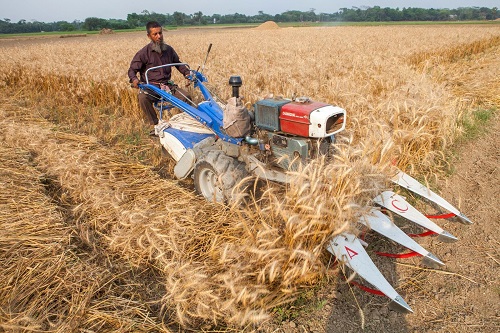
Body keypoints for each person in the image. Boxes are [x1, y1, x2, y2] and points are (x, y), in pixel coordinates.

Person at [128, 21, 191, 135]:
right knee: (143, 98)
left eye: (160, 33)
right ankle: (156, 125)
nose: (159, 36)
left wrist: (187, 73)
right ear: (149, 36)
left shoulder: (169, 50)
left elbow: (178, 63)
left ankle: (187, 124)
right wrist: (134, 79)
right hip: (151, 88)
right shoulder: (143, 53)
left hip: (167, 86)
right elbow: (132, 70)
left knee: (186, 97)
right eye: (155, 34)